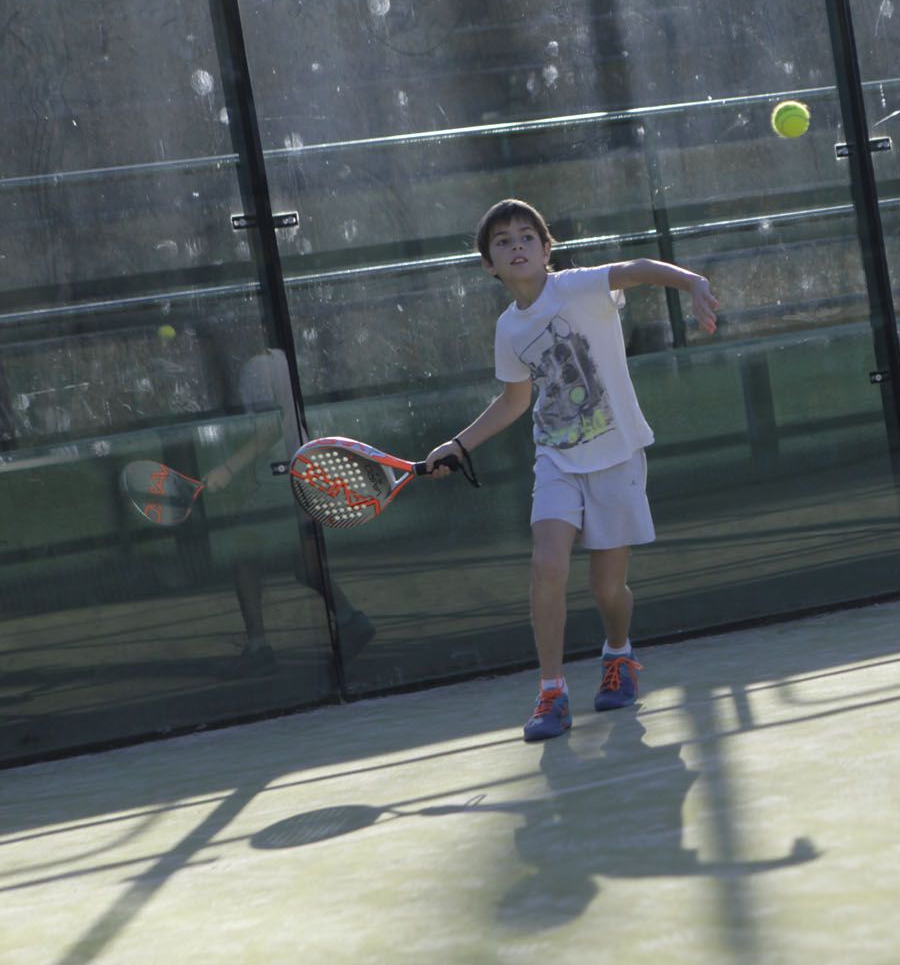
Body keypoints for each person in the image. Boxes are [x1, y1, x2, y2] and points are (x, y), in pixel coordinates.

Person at [425, 199, 719, 742]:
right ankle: (552, 691)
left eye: (525, 237)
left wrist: (692, 281)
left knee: (608, 591)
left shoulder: (578, 287)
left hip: (617, 456)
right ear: (489, 264)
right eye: (503, 241)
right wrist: (459, 446)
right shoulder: (509, 330)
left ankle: (618, 654)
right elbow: (515, 402)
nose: (516, 246)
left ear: (546, 248)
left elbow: (635, 270)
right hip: (556, 458)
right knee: (547, 566)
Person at [203, 345, 375, 674]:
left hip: (278, 479)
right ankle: (350, 619)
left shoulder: (255, 367)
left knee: (243, 559)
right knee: (304, 563)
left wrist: (227, 469)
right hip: (299, 473)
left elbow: (270, 429)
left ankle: (257, 646)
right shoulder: (279, 358)